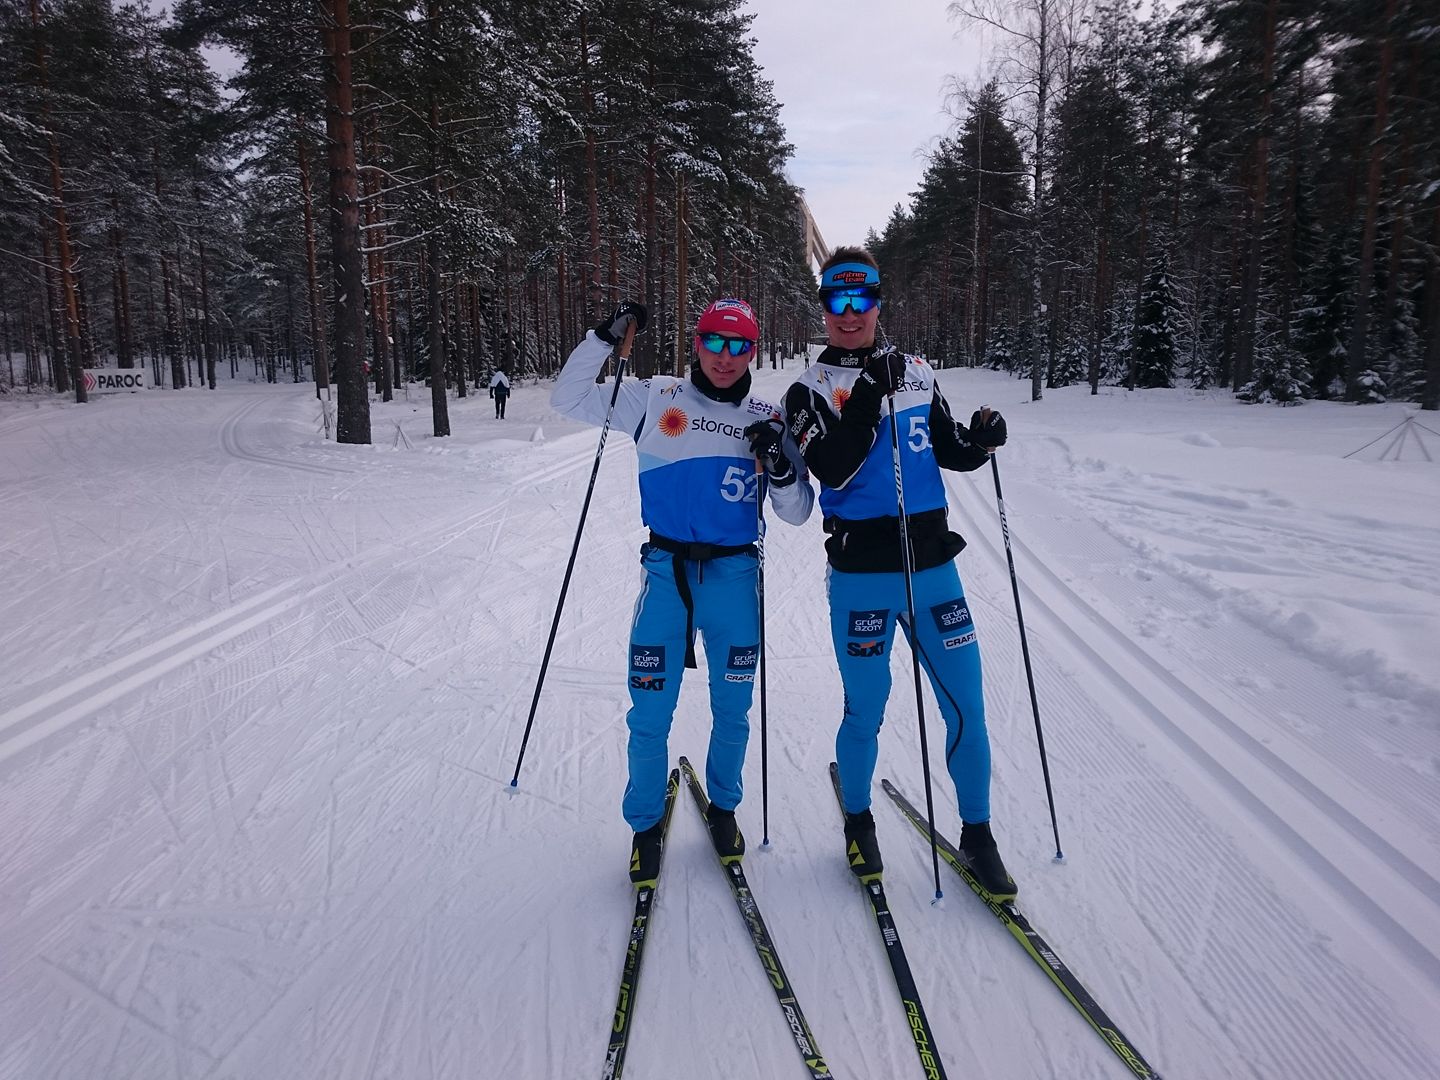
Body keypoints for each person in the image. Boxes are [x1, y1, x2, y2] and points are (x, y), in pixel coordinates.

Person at [776, 246, 1016, 898]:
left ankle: (978, 835)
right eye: (837, 301)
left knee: (966, 706)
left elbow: (951, 450)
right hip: (862, 575)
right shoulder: (807, 391)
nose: (850, 314)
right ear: (823, 309)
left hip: (935, 567)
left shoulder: (915, 371)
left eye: (862, 299)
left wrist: (982, 438)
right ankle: (857, 819)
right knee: (866, 709)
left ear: (878, 302)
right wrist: (869, 393)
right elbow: (836, 468)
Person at [551, 298, 814, 885]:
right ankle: (645, 826)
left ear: (753, 349)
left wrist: (779, 465)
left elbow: (797, 512)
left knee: (733, 709)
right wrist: (601, 338)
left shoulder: (769, 414)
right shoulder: (654, 398)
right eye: (715, 342)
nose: (726, 357)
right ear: (696, 343)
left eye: (739, 344)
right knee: (649, 713)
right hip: (666, 572)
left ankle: (724, 809)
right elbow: (566, 397)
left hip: (734, 578)